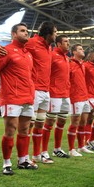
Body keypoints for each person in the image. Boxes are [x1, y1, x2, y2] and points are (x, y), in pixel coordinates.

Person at [0, 23, 38, 174]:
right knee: (10, 130)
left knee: (24, 130)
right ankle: (6, 164)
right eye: (22, 31)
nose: (26, 33)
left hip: (28, 97)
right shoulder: (6, 51)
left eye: (27, 31)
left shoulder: (28, 54)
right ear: (14, 34)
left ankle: (23, 160)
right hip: (12, 96)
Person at [25, 21, 57, 164]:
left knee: (39, 124)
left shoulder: (49, 47)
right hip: (34, 89)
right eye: (55, 32)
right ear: (48, 33)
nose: (56, 35)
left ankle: (37, 155)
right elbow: (16, 48)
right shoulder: (32, 42)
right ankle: (24, 158)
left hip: (46, 90)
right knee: (29, 125)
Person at [41, 35, 71, 161]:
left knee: (62, 121)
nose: (68, 44)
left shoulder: (67, 58)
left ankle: (57, 149)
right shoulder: (52, 55)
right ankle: (43, 152)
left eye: (68, 42)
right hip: (54, 93)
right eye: (65, 42)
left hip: (65, 93)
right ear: (58, 44)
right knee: (49, 123)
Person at [67, 44, 93, 156]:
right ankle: (71, 149)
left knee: (83, 122)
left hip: (84, 97)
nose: (83, 50)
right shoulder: (69, 63)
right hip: (75, 97)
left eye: (83, 48)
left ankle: (81, 146)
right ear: (74, 52)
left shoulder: (82, 64)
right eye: (80, 49)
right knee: (75, 123)